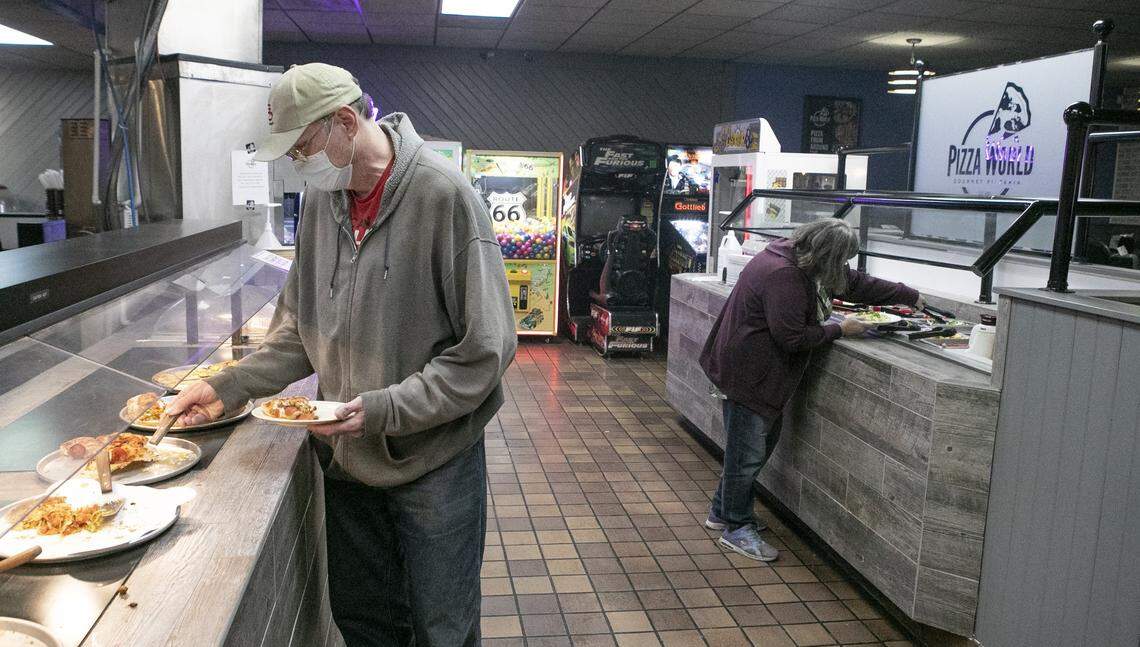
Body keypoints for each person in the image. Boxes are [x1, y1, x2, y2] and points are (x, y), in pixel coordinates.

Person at [166, 63, 517, 646]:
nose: (296, 163)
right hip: (349, 462)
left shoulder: (444, 197)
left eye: (302, 147)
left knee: (442, 629)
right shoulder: (323, 205)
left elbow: (485, 351)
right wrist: (227, 385)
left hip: (433, 464)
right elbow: (299, 330)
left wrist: (383, 408)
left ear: (346, 123)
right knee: (365, 624)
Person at [699, 219, 922, 562]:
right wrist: (839, 330)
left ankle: (722, 512)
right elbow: (791, 338)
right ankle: (736, 529)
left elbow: (854, 283)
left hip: (750, 371)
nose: (844, 268)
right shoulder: (784, 276)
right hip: (749, 374)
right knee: (747, 456)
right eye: (841, 260)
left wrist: (910, 295)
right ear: (826, 256)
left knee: (748, 452)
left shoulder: (793, 257)